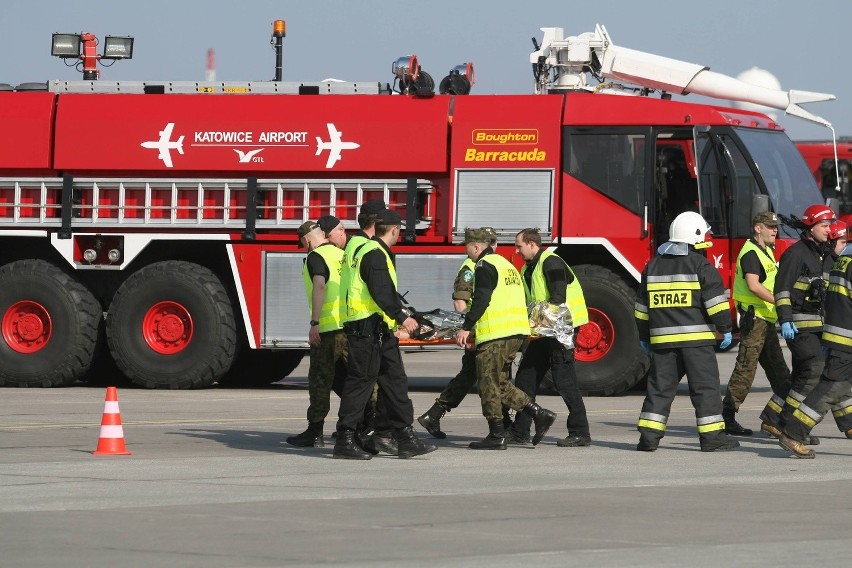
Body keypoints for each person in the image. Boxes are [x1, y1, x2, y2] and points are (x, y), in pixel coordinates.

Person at [333, 208, 437, 460]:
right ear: (392, 229)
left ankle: (404, 436)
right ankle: (346, 438)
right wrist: (403, 317)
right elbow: (381, 291)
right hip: (368, 327)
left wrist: (402, 314)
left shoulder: (355, 248)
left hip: (377, 327)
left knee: (394, 382)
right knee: (361, 383)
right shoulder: (372, 252)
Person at [634, 211, 739, 452]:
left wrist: (644, 337)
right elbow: (717, 306)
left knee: (659, 390)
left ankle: (648, 438)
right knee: (705, 389)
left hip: (662, 343)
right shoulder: (701, 265)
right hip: (696, 343)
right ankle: (712, 438)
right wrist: (726, 330)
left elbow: (641, 310)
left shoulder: (652, 266)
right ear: (695, 237)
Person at [454, 228, 557, 450]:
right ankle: (539, 414)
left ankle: (496, 434)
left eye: (468, 250)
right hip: (515, 332)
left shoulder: (483, 265)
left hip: (496, 333)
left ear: (476, 247)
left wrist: (466, 326)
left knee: (488, 382)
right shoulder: (507, 265)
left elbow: (482, 299)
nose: (468, 255)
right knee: (499, 383)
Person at [506, 228, 591, 448]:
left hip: (562, 329)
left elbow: (558, 298)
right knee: (526, 377)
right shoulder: (529, 268)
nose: (516, 251)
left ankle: (580, 432)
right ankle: (520, 431)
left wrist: (537, 323)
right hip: (545, 330)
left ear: (532, 244)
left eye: (519, 245)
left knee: (564, 380)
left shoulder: (551, 262)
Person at [759, 204, 835, 441]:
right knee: (814, 369)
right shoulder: (796, 254)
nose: (828, 230)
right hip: (799, 326)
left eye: (830, 225)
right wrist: (786, 320)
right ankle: (788, 422)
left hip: (821, 327)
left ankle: (772, 418)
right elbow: (781, 291)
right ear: (811, 227)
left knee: (801, 373)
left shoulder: (827, 255)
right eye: (824, 226)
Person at [417, 228, 499, 439]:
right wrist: (468, 329)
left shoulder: (490, 264)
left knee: (474, 377)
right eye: (490, 243)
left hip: (489, 330)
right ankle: (502, 426)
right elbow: (460, 301)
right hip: (478, 331)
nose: (494, 247)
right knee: (487, 378)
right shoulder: (470, 267)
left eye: (495, 242)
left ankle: (433, 415)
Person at [778, 239, 852, 458]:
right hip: (846, 339)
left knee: (840, 387)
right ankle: (794, 433)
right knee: (831, 388)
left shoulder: (845, 259)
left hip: (838, 334)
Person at [721, 212, 791, 436]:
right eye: (770, 226)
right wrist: (781, 302)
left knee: (780, 373)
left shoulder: (766, 251)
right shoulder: (751, 252)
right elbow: (753, 285)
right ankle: (727, 418)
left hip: (766, 319)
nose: (775, 230)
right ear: (757, 228)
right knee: (745, 370)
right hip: (755, 320)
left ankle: (780, 419)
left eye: (776, 226)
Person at [287, 217, 348, 447]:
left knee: (320, 380)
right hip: (349, 327)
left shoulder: (315, 256)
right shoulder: (341, 255)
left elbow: (320, 286)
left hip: (328, 329)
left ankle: (315, 431)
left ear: (306, 240)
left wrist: (315, 322)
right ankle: (360, 424)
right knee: (350, 379)